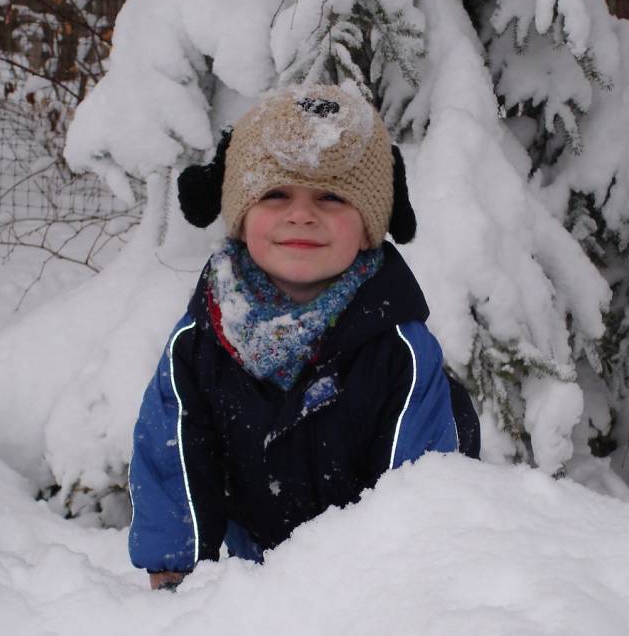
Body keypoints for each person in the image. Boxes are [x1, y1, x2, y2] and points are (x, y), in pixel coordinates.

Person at [128, 84, 479, 589]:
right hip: (258, 580)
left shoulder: (399, 351)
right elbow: (174, 454)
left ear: (368, 227)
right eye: (275, 194)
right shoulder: (201, 340)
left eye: (332, 196)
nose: (301, 215)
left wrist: (398, 587)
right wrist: (173, 569)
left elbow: (420, 484)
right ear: (241, 213)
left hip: (374, 584)